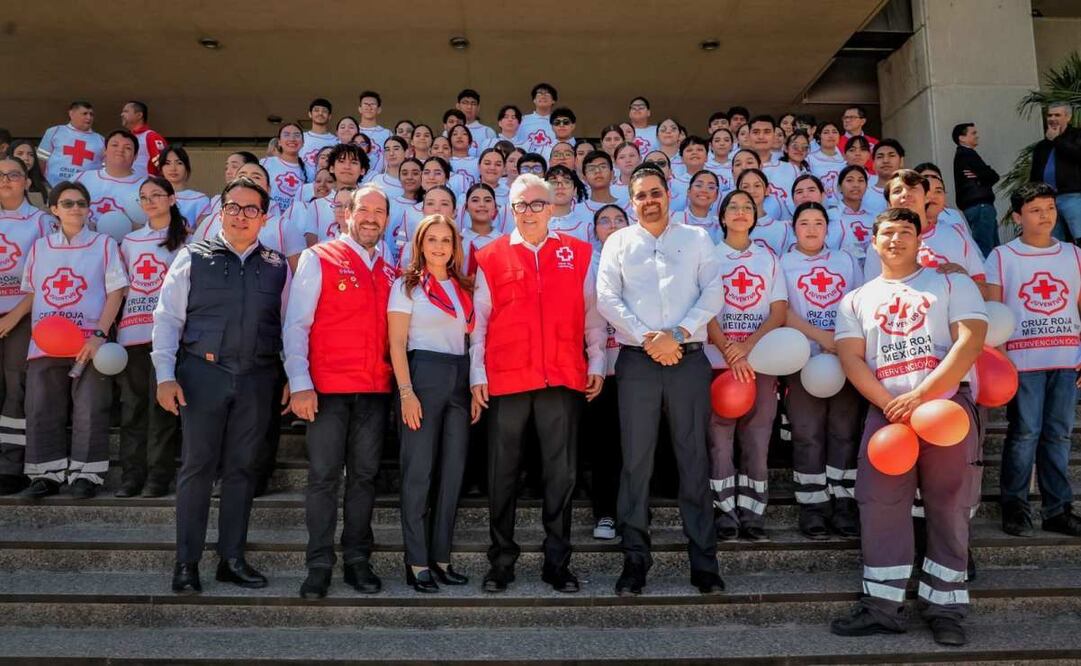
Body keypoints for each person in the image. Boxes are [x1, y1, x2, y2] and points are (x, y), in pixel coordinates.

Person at [829, 206, 986, 646]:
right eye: (887, 233)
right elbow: (851, 357)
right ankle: (882, 607)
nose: (895, 240)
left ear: (920, 241)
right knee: (880, 504)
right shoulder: (856, 298)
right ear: (873, 243)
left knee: (949, 505)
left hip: (946, 408)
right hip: (887, 412)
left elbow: (969, 340)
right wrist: (889, 403)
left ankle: (946, 609)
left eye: (904, 232)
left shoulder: (951, 283)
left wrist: (922, 396)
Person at [469, 173, 605, 594]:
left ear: (552, 207)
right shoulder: (489, 256)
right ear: (509, 210)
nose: (529, 213)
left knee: (560, 474)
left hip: (563, 376)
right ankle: (501, 562)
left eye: (537, 204)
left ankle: (557, 563)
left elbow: (593, 314)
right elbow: (480, 323)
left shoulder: (579, 254)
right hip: (507, 378)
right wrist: (477, 373)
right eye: (520, 206)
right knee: (502, 474)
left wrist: (597, 359)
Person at [154, 176, 288, 594]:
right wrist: (164, 376)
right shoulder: (191, 257)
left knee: (242, 470)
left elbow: (289, 327)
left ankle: (232, 558)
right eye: (234, 207)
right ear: (222, 211)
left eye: (251, 209)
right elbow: (167, 318)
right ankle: (187, 562)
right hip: (202, 375)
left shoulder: (278, 265)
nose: (241, 215)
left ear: (264, 218)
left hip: (257, 378)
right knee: (197, 468)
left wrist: (289, 376)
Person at [595, 165, 724, 595]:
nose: (649, 201)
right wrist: (648, 338)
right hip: (637, 362)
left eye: (655, 192)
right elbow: (606, 298)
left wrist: (680, 333)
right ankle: (635, 561)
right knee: (636, 462)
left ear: (669, 194)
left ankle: (704, 563)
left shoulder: (698, 238)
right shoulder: (618, 241)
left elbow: (714, 291)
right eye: (640, 196)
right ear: (631, 202)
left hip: (687, 359)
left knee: (693, 460)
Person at [285, 185, 396, 599]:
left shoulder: (390, 269)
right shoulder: (320, 257)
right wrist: (300, 383)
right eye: (363, 210)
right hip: (327, 390)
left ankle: (357, 560)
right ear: (348, 213)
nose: (370, 218)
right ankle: (318, 565)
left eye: (379, 212)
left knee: (365, 478)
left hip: (373, 390)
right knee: (324, 478)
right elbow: (296, 324)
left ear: (387, 219)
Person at [985, 182, 1081, 537]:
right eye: (1036, 210)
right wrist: (1001, 359)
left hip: (1066, 358)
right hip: (1022, 363)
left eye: (1050, 208)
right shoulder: (1001, 256)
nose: (1046, 216)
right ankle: (1015, 505)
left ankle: (1058, 509)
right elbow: (993, 309)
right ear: (1017, 216)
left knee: (1058, 436)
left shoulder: (1073, 254)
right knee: (1024, 433)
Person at [22, 181, 127, 499]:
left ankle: (87, 475)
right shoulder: (40, 247)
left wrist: (99, 335)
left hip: (88, 343)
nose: (76, 209)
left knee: (91, 408)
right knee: (41, 407)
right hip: (46, 342)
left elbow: (116, 291)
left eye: (81, 203)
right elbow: (32, 291)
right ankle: (46, 474)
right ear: (53, 209)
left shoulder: (104, 243)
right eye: (67, 204)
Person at [388, 214, 474, 593]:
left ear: (455, 247)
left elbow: (471, 340)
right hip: (422, 376)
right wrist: (406, 393)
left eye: (446, 240)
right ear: (420, 245)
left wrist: (472, 387)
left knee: (452, 473)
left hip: (459, 378)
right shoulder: (407, 286)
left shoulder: (463, 286)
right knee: (419, 472)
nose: (439, 246)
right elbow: (395, 344)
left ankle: (441, 558)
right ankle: (417, 560)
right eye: (432, 239)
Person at [706, 190, 788, 541]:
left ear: (755, 216)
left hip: (761, 361)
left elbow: (779, 310)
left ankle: (754, 511)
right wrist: (728, 350)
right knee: (719, 440)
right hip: (717, 363)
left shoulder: (768, 258)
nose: (740, 212)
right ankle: (723, 510)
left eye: (747, 207)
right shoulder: (708, 256)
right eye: (733, 207)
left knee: (757, 438)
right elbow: (704, 310)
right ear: (722, 217)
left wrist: (747, 346)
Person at [779, 202, 864, 539]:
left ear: (828, 228)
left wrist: (840, 342)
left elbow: (857, 302)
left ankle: (843, 503)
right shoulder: (783, 263)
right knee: (807, 433)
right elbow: (781, 310)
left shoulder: (844, 260)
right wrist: (821, 338)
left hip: (845, 359)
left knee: (843, 432)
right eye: (804, 223)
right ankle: (812, 505)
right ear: (794, 228)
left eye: (818, 223)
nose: (811, 229)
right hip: (802, 360)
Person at [114, 176, 186, 498]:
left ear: (171, 199)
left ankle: (158, 476)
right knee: (132, 410)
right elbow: (121, 290)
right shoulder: (129, 242)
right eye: (144, 197)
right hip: (133, 335)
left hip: (169, 339)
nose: (150, 201)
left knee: (162, 411)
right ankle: (131, 476)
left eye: (157, 195)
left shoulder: (188, 240)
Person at [0, 158, 53, 494]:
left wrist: (13, 316)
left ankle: (10, 465)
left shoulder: (42, 221)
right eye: (0, 175)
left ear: (27, 182)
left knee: (15, 390)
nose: (6, 180)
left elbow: (46, 276)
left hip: (21, 317)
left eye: (13, 174)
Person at [584, 204, 629, 540]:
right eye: (604, 221)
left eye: (618, 220)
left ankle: (635, 509)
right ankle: (605, 513)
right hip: (599, 367)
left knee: (638, 445)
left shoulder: (644, 259)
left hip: (639, 365)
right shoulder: (586, 262)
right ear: (594, 229)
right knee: (604, 445)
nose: (611, 225)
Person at [74, 129, 144, 231]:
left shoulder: (145, 186)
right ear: (105, 151)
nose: (120, 150)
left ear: (135, 156)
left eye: (128, 148)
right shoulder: (80, 179)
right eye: (115, 145)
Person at [1030, 102, 1081, 243]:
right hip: (1047, 199)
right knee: (1055, 240)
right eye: (1049, 115)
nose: (1052, 118)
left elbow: (1077, 155)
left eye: (1057, 115)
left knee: (1079, 235)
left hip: (1073, 196)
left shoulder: (1077, 136)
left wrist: (1057, 140)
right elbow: (1034, 174)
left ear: (1068, 117)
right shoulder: (1042, 146)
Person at [951, 123, 1000, 257]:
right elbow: (993, 175)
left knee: (991, 248)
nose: (977, 136)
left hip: (976, 205)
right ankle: (986, 276)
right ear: (962, 138)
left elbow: (990, 174)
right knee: (987, 249)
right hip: (980, 205)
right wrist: (983, 175)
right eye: (973, 133)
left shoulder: (964, 155)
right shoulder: (966, 154)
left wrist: (981, 175)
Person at [39, 101, 105, 186]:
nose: (89, 117)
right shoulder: (55, 132)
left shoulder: (101, 140)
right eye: (84, 114)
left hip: (87, 190)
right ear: (71, 114)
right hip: (53, 187)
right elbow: (41, 160)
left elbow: (105, 169)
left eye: (91, 114)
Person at [158, 145, 210, 226]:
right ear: (161, 169)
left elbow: (203, 233)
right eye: (167, 163)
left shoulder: (200, 199)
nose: (173, 168)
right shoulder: (152, 198)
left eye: (179, 163)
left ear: (187, 168)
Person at [260, 123, 308, 211]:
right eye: (286, 135)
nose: (292, 139)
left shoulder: (309, 170)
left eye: (297, 135)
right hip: (268, 220)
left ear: (303, 142)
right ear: (279, 142)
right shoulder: (266, 163)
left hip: (294, 222)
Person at [119, 100, 167, 178]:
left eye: (126, 111)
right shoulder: (126, 138)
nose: (121, 114)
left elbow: (163, 165)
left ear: (139, 115)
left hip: (146, 186)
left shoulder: (151, 136)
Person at [517, 83, 558, 156]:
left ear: (553, 101)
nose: (543, 96)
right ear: (534, 100)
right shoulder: (522, 120)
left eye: (547, 94)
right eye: (539, 94)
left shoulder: (558, 122)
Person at [302, 98, 339, 176]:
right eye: (316, 110)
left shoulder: (336, 141)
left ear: (329, 116)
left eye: (324, 111)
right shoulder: (301, 138)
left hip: (328, 184)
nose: (320, 113)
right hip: (303, 184)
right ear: (310, 114)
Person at [10, 140, 51, 207]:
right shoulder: (3, 182)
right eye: (20, 154)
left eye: (31, 155)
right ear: (10, 157)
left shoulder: (45, 187)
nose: (26, 158)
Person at [838, 105, 878, 173]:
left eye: (852, 117)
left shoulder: (874, 143)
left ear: (862, 121)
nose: (847, 120)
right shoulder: (835, 142)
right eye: (845, 117)